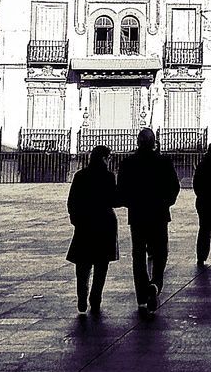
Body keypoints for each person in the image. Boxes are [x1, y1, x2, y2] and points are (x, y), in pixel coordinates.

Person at [116, 127, 180, 316]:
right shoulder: (163, 162)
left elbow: (122, 191)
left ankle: (142, 295)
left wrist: (132, 203)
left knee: (138, 255)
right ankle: (155, 283)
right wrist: (166, 203)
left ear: (138, 142)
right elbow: (174, 187)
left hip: (137, 215)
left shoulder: (127, 163)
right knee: (160, 252)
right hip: (159, 214)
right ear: (154, 143)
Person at [65, 145, 119, 315]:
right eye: (108, 157)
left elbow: (71, 200)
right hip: (104, 223)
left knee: (83, 263)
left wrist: (75, 219)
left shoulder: (80, 176)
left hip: (85, 223)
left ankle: (82, 295)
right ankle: (96, 295)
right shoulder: (108, 176)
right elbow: (113, 199)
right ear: (104, 158)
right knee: (102, 263)